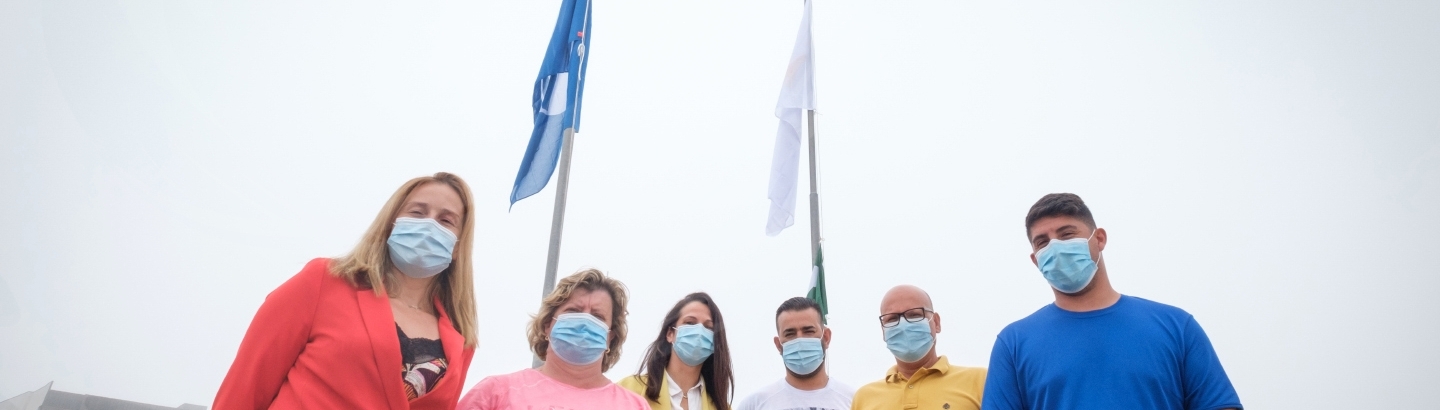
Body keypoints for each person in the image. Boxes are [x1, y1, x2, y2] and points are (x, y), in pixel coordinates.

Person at [214, 172, 480, 410]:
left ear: (458, 246)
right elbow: (248, 383)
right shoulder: (323, 281)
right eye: (418, 213)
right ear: (391, 224)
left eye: (446, 220)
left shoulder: (461, 339)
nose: (430, 225)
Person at [981, 193, 1243, 410]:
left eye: (1067, 234)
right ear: (1035, 259)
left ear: (1099, 239)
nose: (1055, 247)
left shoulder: (1176, 327)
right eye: (1043, 242)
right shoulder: (1014, 344)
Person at [457, 268, 648, 410]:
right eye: (573, 311)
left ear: (610, 337)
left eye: (597, 316)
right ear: (548, 325)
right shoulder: (495, 393)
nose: (584, 321)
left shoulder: (634, 406)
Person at [850, 285, 986, 410]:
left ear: (936, 322)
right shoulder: (864, 398)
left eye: (914, 315)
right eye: (892, 319)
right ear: (883, 331)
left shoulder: (981, 381)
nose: (903, 325)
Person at [618, 292, 735, 410]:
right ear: (670, 333)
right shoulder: (627, 391)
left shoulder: (723, 407)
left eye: (708, 327)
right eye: (690, 323)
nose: (699, 332)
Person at [735, 297, 854, 410]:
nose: (799, 340)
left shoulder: (854, 401)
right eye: (790, 334)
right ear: (778, 345)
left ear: (826, 338)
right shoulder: (754, 404)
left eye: (808, 331)